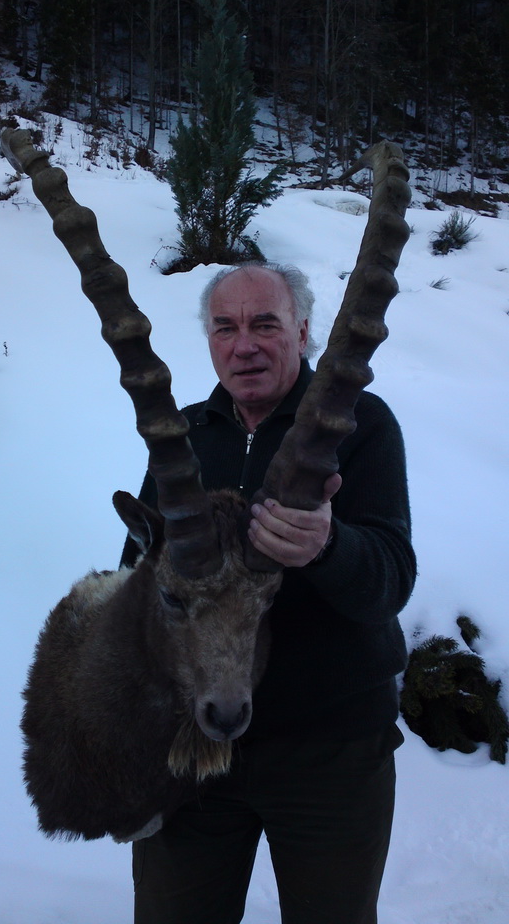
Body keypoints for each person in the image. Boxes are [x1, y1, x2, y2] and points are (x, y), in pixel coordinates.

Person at [121, 261, 416, 924]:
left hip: (331, 752)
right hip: (195, 749)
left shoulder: (360, 425)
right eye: (225, 327)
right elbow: (140, 583)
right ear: (209, 339)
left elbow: (390, 581)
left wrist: (329, 547)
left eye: (265, 324)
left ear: (303, 331)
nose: (243, 345)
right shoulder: (184, 436)